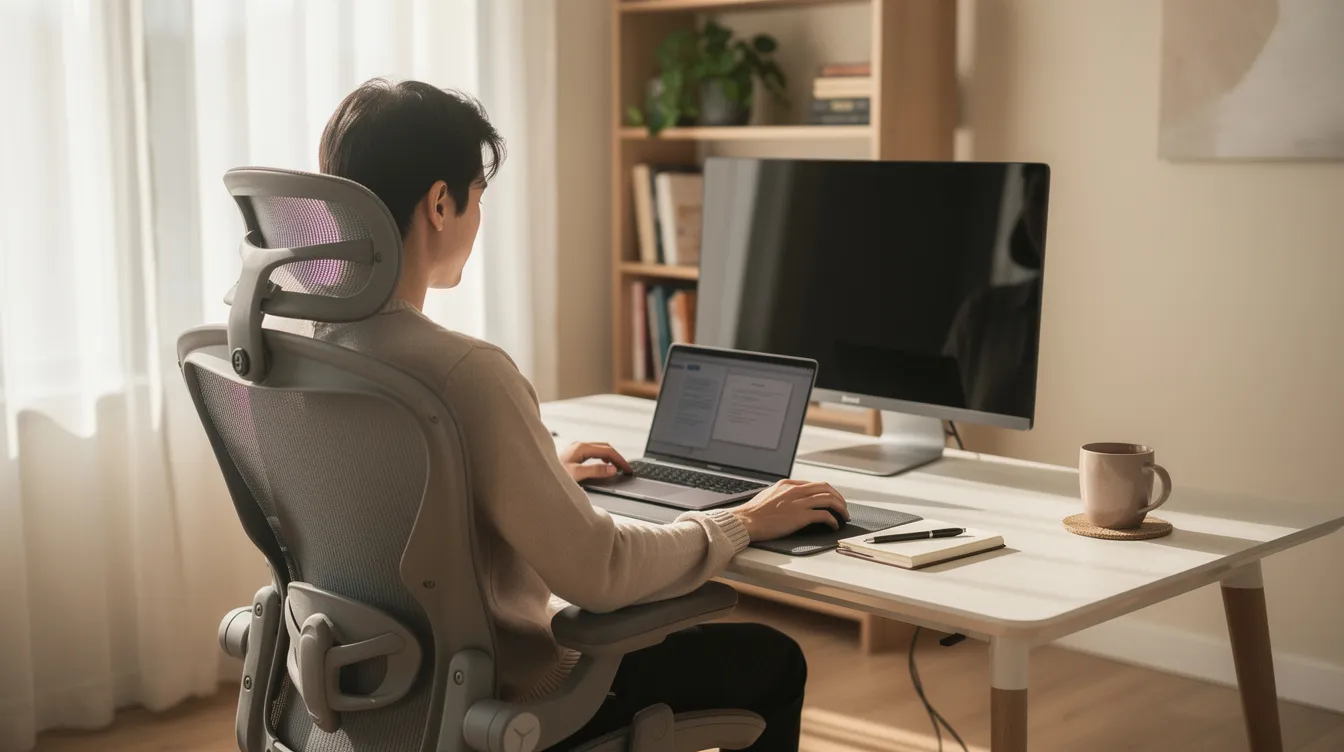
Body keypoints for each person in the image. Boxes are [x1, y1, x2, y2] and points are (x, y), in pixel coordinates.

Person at [311, 78, 850, 751]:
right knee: (775, 660)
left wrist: (535, 481)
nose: (479, 218)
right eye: (479, 196)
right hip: (507, 705)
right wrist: (742, 521)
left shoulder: (301, 352)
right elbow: (603, 570)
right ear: (441, 203)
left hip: (366, 697)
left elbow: (385, 509)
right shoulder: (464, 371)